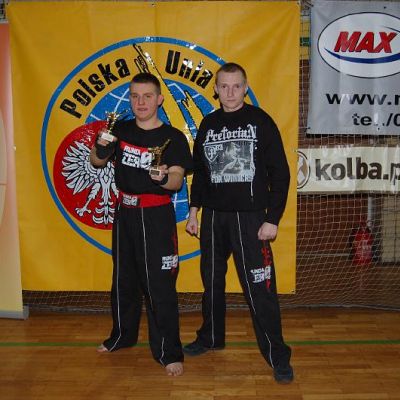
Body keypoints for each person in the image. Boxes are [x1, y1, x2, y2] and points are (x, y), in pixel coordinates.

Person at [184, 62, 294, 383]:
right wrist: (193, 211)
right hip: (213, 217)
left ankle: (277, 355)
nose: (230, 92)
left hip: (251, 219)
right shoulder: (208, 124)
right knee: (211, 283)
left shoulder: (261, 121)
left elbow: (281, 173)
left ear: (245, 88)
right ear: (216, 89)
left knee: (261, 289)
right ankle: (210, 337)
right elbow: (201, 173)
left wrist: (272, 219)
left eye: (236, 86)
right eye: (224, 86)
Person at [90, 72, 192, 377]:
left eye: (147, 96)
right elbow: (97, 161)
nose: (141, 102)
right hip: (125, 213)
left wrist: (163, 178)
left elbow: (177, 180)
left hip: (156, 216)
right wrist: (100, 146)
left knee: (160, 286)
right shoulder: (119, 130)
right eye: (135, 96)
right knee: (123, 279)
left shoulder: (173, 137)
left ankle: (169, 352)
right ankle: (122, 336)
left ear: (159, 99)